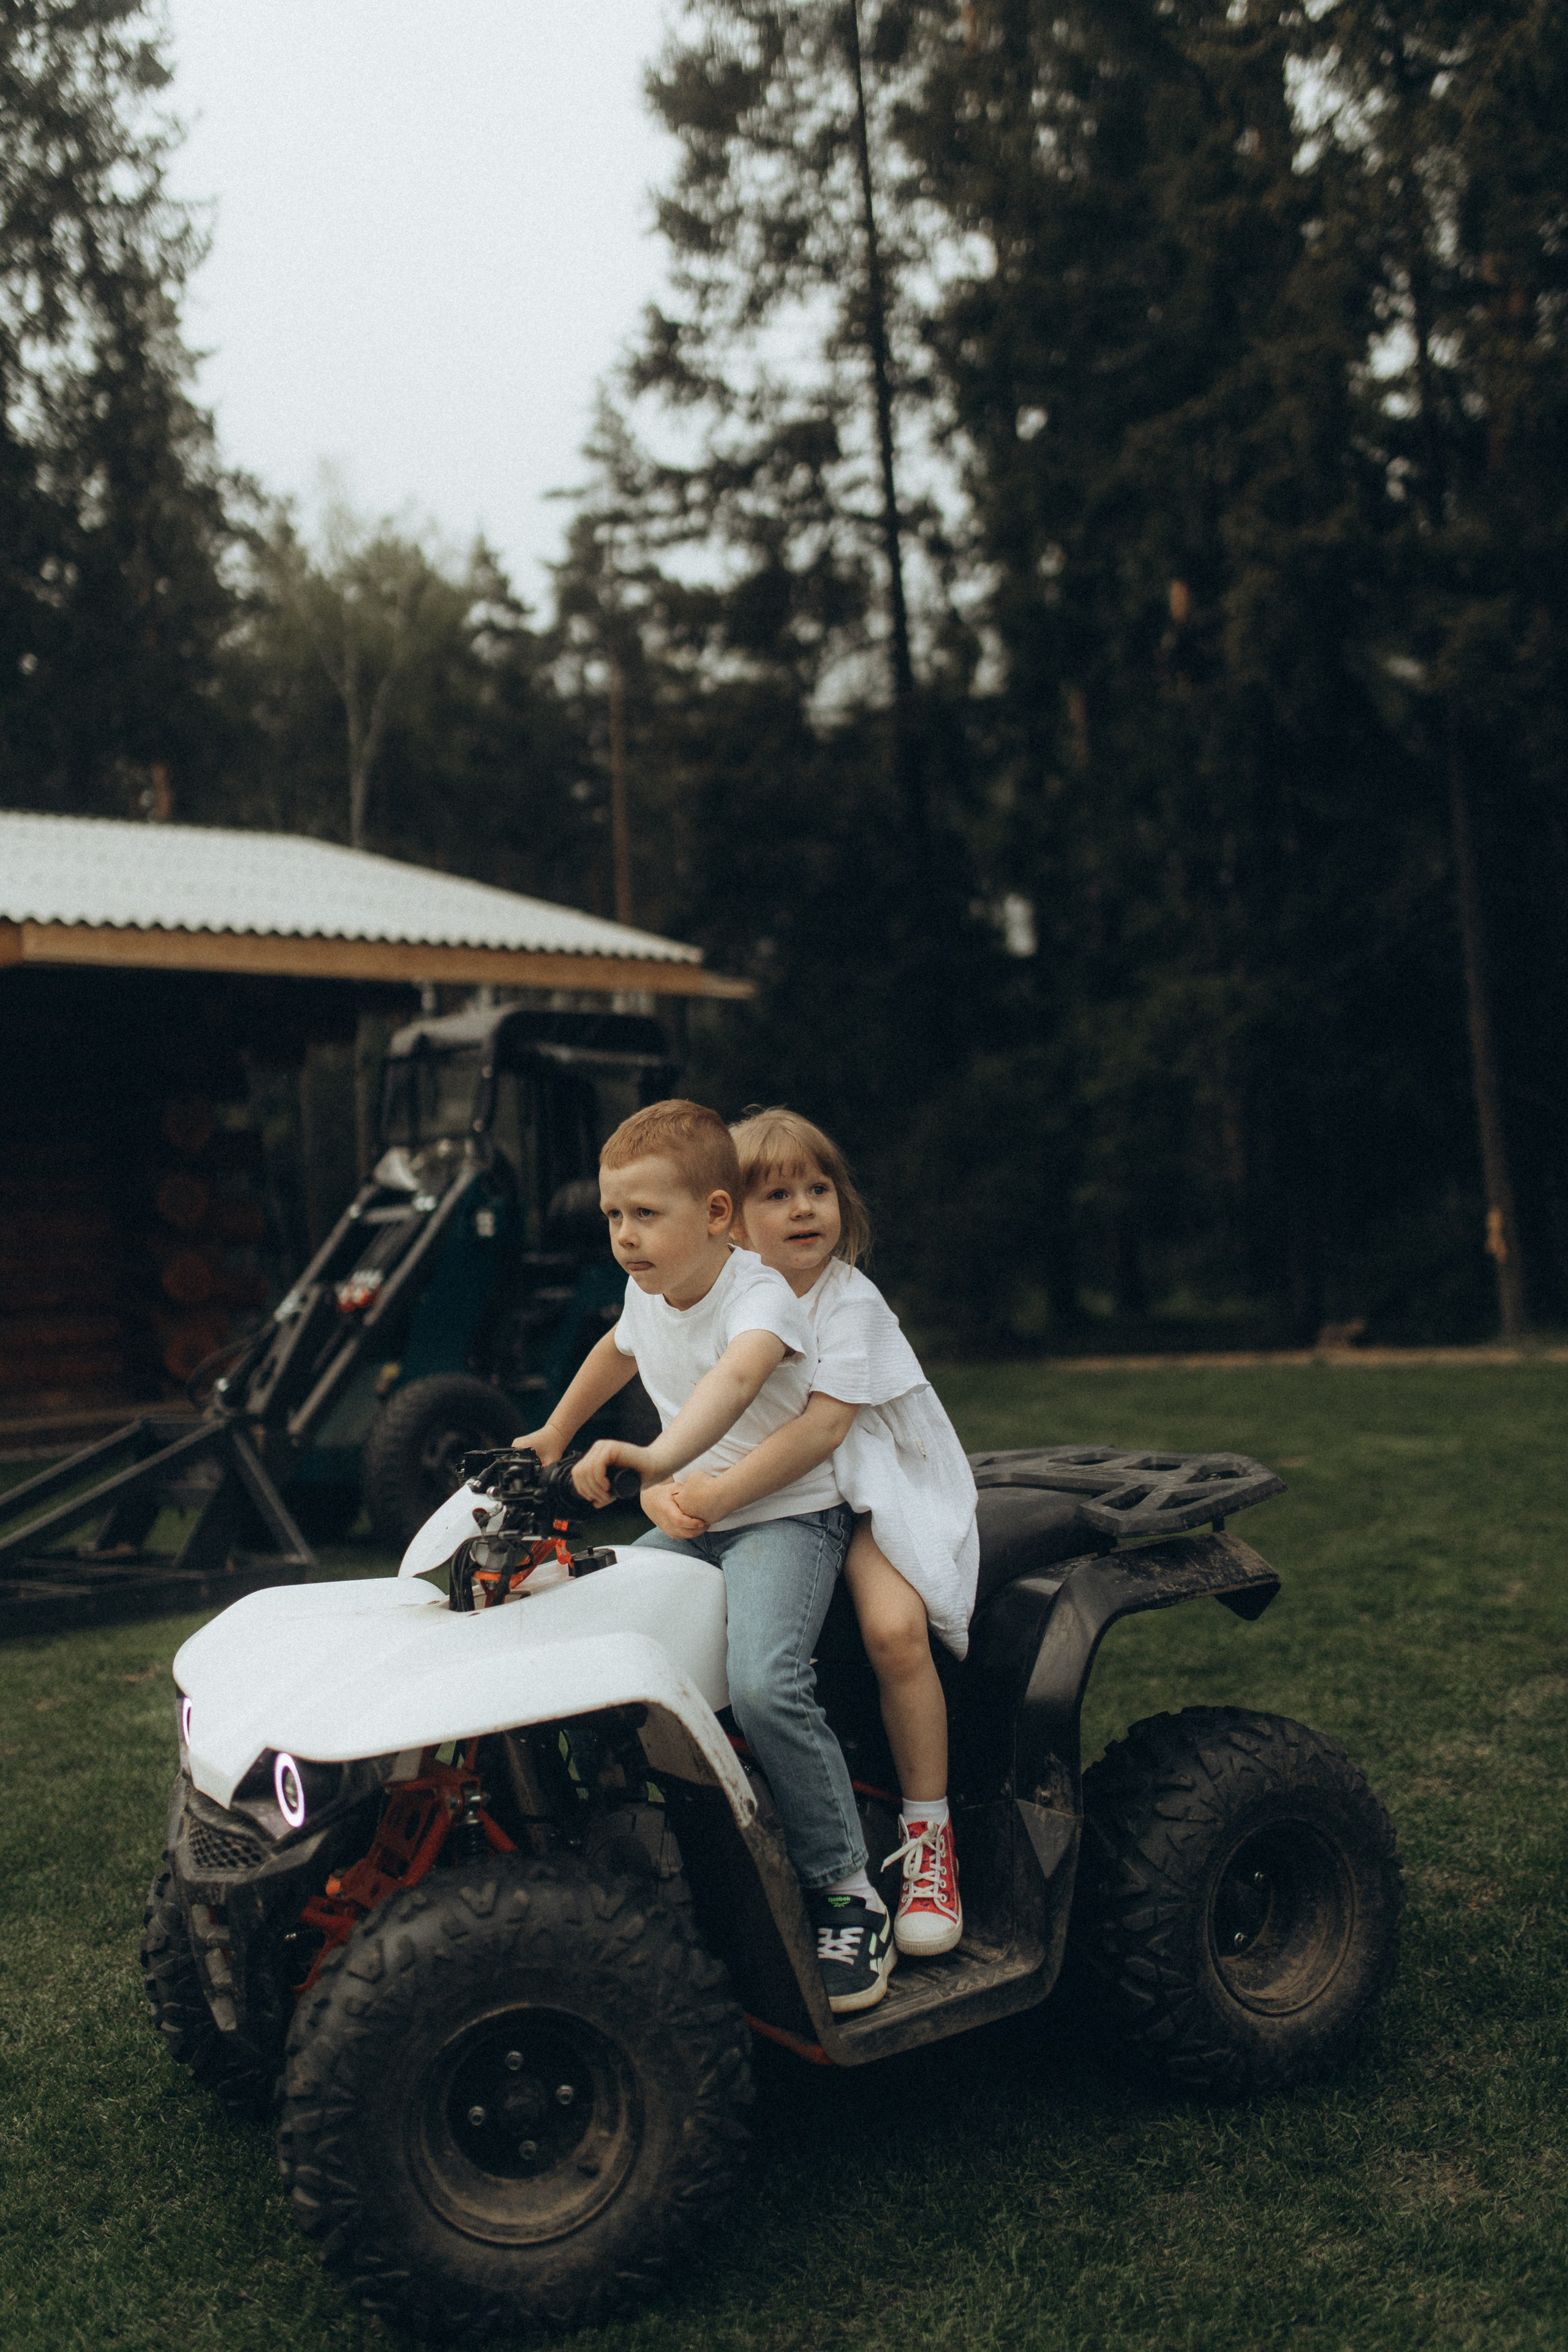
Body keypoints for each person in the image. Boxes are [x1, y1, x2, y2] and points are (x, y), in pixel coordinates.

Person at [512, 1098, 897, 2015]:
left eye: (646, 1215)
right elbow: (616, 1348)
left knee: (765, 1681)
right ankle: (611, 1842)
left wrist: (658, 1458)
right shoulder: (651, 1291)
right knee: (584, 1641)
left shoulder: (758, 1292)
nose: (625, 1236)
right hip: (698, 1518)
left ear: (716, 1216)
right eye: (614, 1216)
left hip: (786, 1518)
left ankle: (847, 1887)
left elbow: (735, 1378)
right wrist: (554, 1431)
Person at [672, 1108, 978, 1963]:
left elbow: (829, 1432)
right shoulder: (719, 1291)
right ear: (725, 1213)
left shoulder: (848, 1298)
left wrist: (715, 1490)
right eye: (779, 1194)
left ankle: (929, 1840)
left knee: (891, 1628)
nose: (806, 1208)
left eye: (819, 1189)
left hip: (869, 1476)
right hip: (771, 1491)